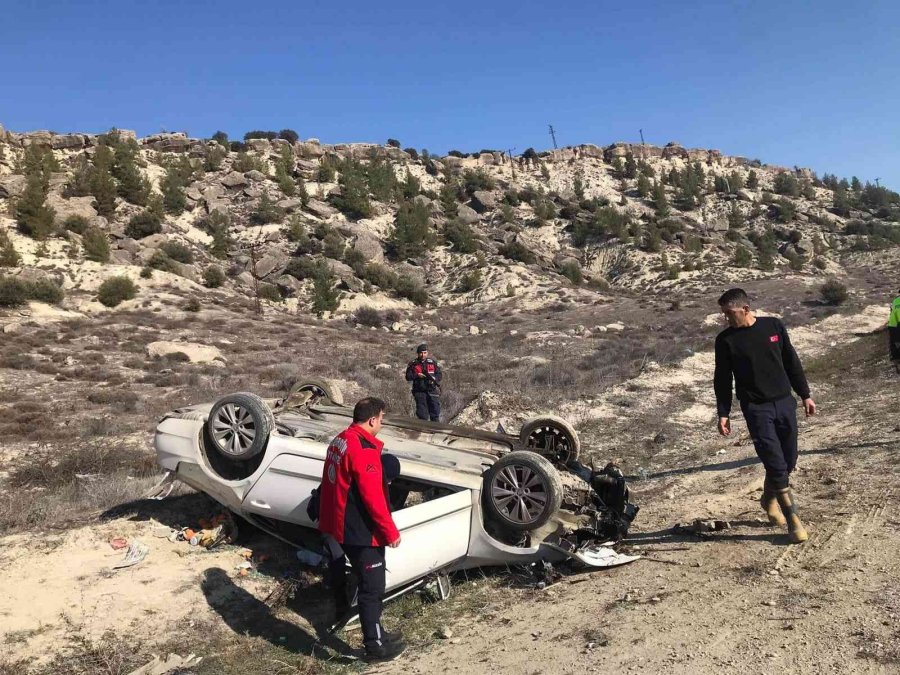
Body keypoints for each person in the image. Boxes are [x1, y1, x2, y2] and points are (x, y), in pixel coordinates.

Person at [713, 288, 816, 544]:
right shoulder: (725, 341)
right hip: (756, 409)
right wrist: (723, 412)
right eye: (724, 313)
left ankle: (768, 498)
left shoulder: (773, 326)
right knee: (775, 462)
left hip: (784, 403)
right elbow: (722, 379)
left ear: (745, 309)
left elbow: (792, 361)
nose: (726, 318)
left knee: (789, 460)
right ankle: (793, 521)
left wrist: (805, 394)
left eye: (729, 313)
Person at [317, 397, 405, 662]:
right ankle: (374, 647)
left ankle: (378, 631)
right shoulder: (362, 449)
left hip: (341, 525)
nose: (382, 423)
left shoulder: (340, 439)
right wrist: (390, 532)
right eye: (381, 418)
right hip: (360, 531)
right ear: (372, 420)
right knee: (372, 588)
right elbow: (373, 498)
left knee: (369, 586)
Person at [405, 343, 442, 422]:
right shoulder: (413, 364)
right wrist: (417, 375)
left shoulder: (432, 362)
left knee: (435, 412)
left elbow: (439, 374)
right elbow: (408, 377)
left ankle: (435, 431)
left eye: (424, 352)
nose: (423, 355)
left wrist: (434, 379)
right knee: (422, 415)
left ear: (427, 353)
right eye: (421, 353)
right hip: (419, 392)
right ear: (418, 353)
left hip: (432, 390)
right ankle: (422, 433)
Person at [888, 288, 900, 373]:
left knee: (895, 344)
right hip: (896, 324)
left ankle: (897, 363)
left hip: (895, 325)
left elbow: (892, 316)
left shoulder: (895, 301)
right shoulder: (896, 302)